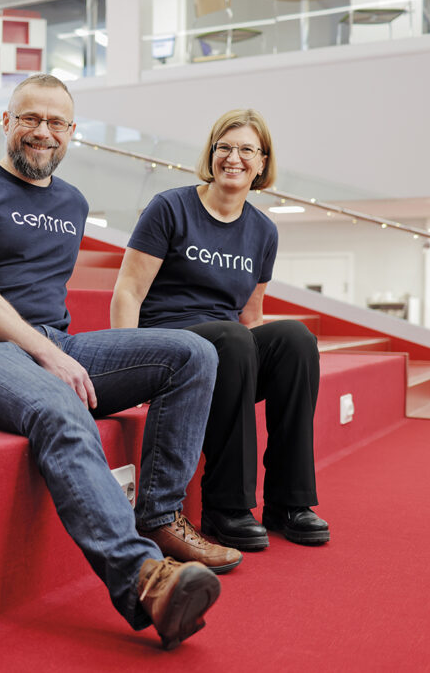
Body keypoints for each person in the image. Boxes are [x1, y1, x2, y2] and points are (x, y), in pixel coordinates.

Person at [0, 74, 241, 649]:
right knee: (58, 401)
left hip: (54, 342)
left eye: (56, 122)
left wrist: (57, 349)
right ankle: (143, 582)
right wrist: (45, 354)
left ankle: (160, 516)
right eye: (30, 118)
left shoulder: (73, 202)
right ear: (6, 122)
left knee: (193, 352)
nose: (43, 132)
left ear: (72, 132)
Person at [110, 109, 329, 553]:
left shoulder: (263, 231)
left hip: (230, 353)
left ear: (263, 162)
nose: (234, 158)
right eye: (224, 147)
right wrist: (129, 365)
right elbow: (128, 292)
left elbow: (252, 315)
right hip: (171, 347)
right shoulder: (171, 207)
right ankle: (225, 506)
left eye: (247, 149)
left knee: (296, 340)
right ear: (210, 155)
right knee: (233, 339)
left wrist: (263, 358)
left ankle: (290, 502)